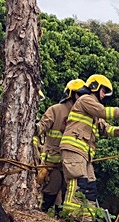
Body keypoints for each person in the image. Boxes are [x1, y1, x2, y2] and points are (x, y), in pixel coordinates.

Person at [59, 74, 119, 222]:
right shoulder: (86, 100)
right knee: (77, 183)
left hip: (85, 154)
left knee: (90, 187)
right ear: (95, 87)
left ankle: (86, 219)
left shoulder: (94, 114)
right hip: (74, 149)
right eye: (103, 90)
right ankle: (70, 217)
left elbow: (107, 129)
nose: (104, 94)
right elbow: (104, 111)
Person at [35, 79, 85, 212]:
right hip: (53, 164)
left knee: (65, 198)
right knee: (50, 192)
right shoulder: (56, 110)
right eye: (80, 94)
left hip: (71, 165)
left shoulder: (83, 116)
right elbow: (41, 127)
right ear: (73, 94)